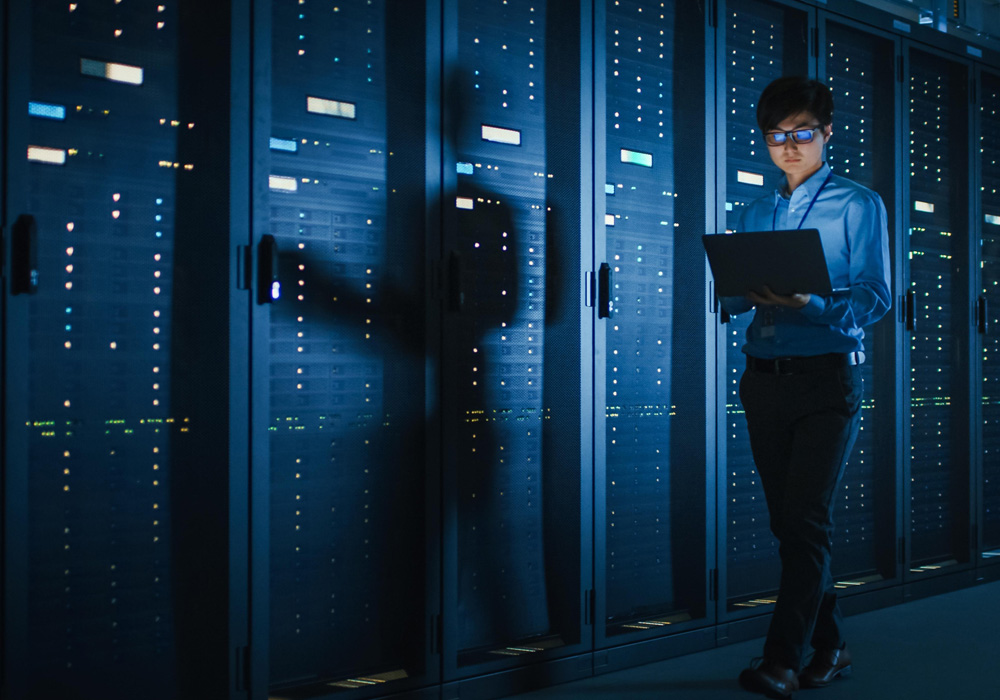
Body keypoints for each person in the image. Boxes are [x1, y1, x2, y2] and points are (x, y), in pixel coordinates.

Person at [722, 76, 891, 698]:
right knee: (790, 526)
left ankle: (781, 660)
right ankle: (833, 645)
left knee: (806, 520)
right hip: (762, 380)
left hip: (826, 380)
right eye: (776, 136)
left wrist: (811, 300)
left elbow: (876, 297)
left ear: (826, 134)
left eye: (801, 134)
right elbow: (739, 298)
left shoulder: (857, 204)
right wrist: (737, 289)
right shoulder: (756, 211)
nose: (788, 147)